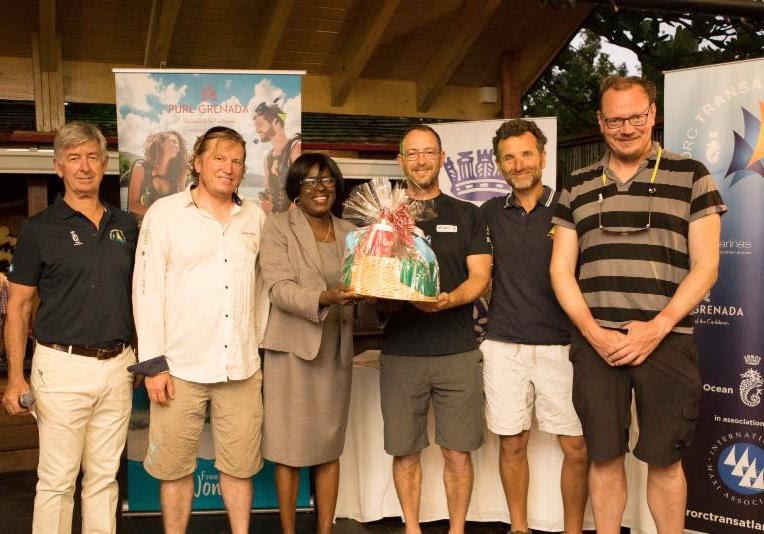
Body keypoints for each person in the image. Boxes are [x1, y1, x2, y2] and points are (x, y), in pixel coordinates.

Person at [550, 75, 726, 534]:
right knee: (604, 457)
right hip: (596, 343)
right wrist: (593, 333)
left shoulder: (691, 175)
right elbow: (560, 270)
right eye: (615, 119)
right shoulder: (577, 183)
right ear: (600, 121)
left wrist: (657, 326)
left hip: (667, 341)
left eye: (635, 117)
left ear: (652, 115)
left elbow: (706, 267)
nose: (626, 128)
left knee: (665, 461)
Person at [1, 121, 138, 534]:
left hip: (118, 366)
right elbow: (18, 306)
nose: (84, 167)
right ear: (59, 166)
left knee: (103, 480)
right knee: (57, 481)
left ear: (104, 164)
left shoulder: (127, 225)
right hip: (60, 367)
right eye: (74, 158)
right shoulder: (38, 230)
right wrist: (14, 377)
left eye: (92, 157)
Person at [131, 126, 268, 534]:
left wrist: (255, 344)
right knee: (174, 469)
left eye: (237, 161)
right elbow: (146, 288)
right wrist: (153, 363)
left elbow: (263, 288)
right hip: (178, 368)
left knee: (240, 467)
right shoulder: (165, 214)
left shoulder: (255, 217)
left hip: (240, 368)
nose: (229, 168)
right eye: (220, 158)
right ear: (197, 163)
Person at [380, 125, 492, 534]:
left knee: (458, 452)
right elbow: (372, 276)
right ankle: (412, 528)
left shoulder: (468, 214)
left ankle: (457, 529)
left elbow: (481, 277)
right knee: (405, 451)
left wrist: (449, 300)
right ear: (401, 161)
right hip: (401, 350)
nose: (421, 161)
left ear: (442, 157)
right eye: (412, 154)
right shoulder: (387, 217)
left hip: (457, 349)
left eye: (429, 152)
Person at [480, 119, 589, 534]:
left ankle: (573, 530)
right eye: (509, 157)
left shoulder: (570, 208)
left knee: (576, 447)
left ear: (544, 156)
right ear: (499, 164)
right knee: (512, 442)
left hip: (562, 345)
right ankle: (519, 528)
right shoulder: (488, 213)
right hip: (504, 345)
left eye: (527, 154)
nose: (519, 164)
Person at [258, 153, 356, 534]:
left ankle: (325, 530)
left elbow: (363, 284)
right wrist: (326, 298)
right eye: (311, 181)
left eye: (328, 180)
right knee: (290, 449)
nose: (321, 188)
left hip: (335, 349)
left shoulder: (351, 231)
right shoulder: (278, 227)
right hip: (293, 351)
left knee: (329, 447)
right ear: (296, 189)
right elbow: (279, 290)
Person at [127, 130, 189, 221]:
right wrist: (162, 214)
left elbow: (181, 206)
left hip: (166, 229)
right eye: (173, 141)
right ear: (161, 143)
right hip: (141, 228)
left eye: (179, 144)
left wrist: (182, 181)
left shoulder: (174, 176)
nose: (177, 146)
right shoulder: (141, 168)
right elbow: (132, 205)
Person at [253, 100, 301, 214]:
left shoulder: (296, 148)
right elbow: (268, 195)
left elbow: (304, 193)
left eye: (260, 124)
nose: (256, 130)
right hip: (276, 221)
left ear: (276, 122)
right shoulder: (267, 160)